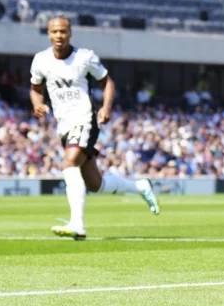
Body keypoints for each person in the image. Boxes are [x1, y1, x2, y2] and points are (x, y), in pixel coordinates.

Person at [30, 15, 160, 240]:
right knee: (95, 184)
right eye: (54, 32)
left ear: (70, 33)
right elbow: (35, 87)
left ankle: (77, 225)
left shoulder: (84, 57)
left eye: (63, 31)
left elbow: (107, 81)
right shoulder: (40, 60)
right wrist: (37, 104)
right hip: (64, 125)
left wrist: (106, 107)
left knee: (69, 162)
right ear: (48, 33)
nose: (59, 36)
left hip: (85, 119)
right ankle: (140, 186)